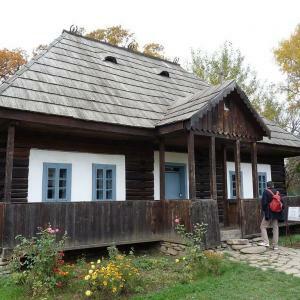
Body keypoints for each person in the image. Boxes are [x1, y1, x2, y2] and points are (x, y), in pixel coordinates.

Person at [258, 181, 284, 250]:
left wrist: (264, 210)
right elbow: (282, 203)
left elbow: (264, 203)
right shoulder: (277, 192)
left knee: (263, 226)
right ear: (273, 185)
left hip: (269, 213)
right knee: (275, 228)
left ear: (267, 186)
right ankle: (275, 246)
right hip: (276, 213)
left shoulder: (266, 192)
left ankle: (266, 242)